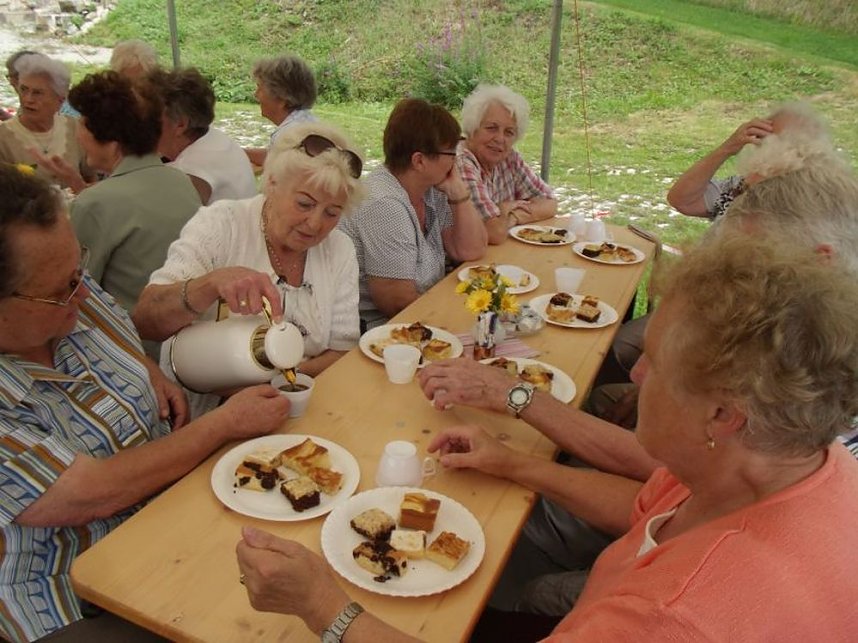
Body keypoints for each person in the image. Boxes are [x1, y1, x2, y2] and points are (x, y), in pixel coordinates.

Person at [236, 231, 858, 641]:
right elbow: (649, 510)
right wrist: (515, 465)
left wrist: (324, 607)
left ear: (724, 415)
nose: (634, 372)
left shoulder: (670, 618)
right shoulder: (793, 461)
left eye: (658, 364)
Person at [0, 165, 289, 643]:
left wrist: (144, 368)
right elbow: (91, 491)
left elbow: (119, 324)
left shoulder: (67, 287)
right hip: (71, 589)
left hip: (171, 516)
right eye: (59, 291)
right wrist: (221, 424)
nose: (79, 291)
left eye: (79, 272)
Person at [133, 121, 366, 418]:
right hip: (209, 417)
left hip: (304, 409)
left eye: (332, 212)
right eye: (305, 204)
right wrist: (208, 285)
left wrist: (281, 385)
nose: (315, 224)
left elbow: (341, 350)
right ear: (271, 183)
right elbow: (145, 321)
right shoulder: (221, 226)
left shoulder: (339, 248)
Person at [67, 71, 201, 359]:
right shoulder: (179, 180)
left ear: (113, 142)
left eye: (82, 125)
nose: (77, 135)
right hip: (187, 341)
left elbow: (73, 295)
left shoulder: (96, 202)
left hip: (129, 351)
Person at [339, 98, 487, 329]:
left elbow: (471, 249)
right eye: (450, 153)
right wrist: (455, 324)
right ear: (419, 161)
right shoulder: (384, 204)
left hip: (423, 313)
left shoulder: (431, 189)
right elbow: (396, 302)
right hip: (383, 331)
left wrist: (459, 194)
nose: (455, 161)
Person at [666, 102, 833, 220]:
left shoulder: (819, 203)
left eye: (779, 141)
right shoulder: (741, 188)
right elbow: (682, 200)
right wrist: (728, 147)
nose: (767, 148)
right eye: (762, 139)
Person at [458, 83, 557, 244]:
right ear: (472, 128)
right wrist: (503, 209)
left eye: (509, 132)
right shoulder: (462, 163)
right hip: (462, 264)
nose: (500, 139)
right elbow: (493, 233)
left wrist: (511, 216)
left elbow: (550, 203)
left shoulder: (509, 157)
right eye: (491, 128)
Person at [150, 67, 256, 204]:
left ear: (180, 124)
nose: (144, 123)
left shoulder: (191, 170)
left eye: (152, 116)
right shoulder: (214, 138)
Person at [0, 53, 93, 190]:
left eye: (37, 93)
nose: (28, 99)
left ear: (60, 100)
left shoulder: (75, 127)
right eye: (24, 89)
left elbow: (91, 178)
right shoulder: (3, 138)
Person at [244, 55, 317, 168]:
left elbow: (278, 166)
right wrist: (240, 152)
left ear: (282, 97)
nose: (256, 95)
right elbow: (273, 156)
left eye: (260, 88)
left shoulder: (290, 135)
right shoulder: (306, 122)